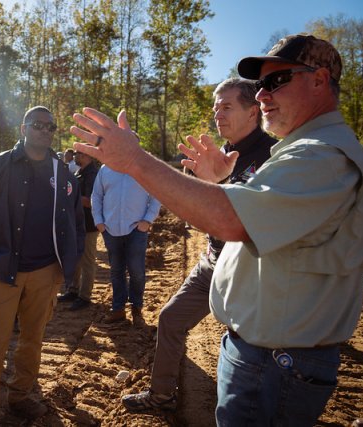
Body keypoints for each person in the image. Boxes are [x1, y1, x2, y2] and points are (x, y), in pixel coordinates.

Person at [70, 34, 363, 425]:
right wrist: (218, 186)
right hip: (267, 350)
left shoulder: (318, 155)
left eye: (277, 80)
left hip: (275, 360)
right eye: (261, 85)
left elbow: (232, 221)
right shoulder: (305, 149)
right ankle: (162, 392)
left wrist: (134, 160)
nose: (263, 95)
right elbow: (261, 219)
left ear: (319, 80)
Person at [122, 78, 276, 411]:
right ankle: (161, 395)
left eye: (227, 106)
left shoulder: (274, 156)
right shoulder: (218, 153)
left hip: (251, 274)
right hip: (212, 263)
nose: (218, 114)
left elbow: (259, 221)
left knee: (248, 349)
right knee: (171, 319)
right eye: (215, 107)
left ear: (253, 111)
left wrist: (220, 186)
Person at [0, 106, 84, 425]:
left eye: (50, 126)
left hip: (45, 272)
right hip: (1, 270)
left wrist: (65, 266)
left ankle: (20, 394)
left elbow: (74, 222)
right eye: (37, 124)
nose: (45, 130)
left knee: (33, 340)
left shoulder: (63, 173)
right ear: (23, 128)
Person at [91, 163, 160, 324]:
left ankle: (136, 309)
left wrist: (147, 220)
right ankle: (118, 309)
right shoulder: (105, 169)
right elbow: (96, 196)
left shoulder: (145, 167)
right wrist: (99, 222)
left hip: (136, 229)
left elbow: (157, 195)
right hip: (110, 229)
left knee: (137, 271)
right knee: (116, 271)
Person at [58, 150, 100, 310]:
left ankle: (85, 296)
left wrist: (68, 196)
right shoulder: (80, 172)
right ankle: (73, 290)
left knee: (87, 260)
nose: (75, 156)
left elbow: (90, 202)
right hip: (76, 223)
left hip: (88, 224)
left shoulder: (92, 175)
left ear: (87, 156)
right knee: (75, 258)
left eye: (78, 154)